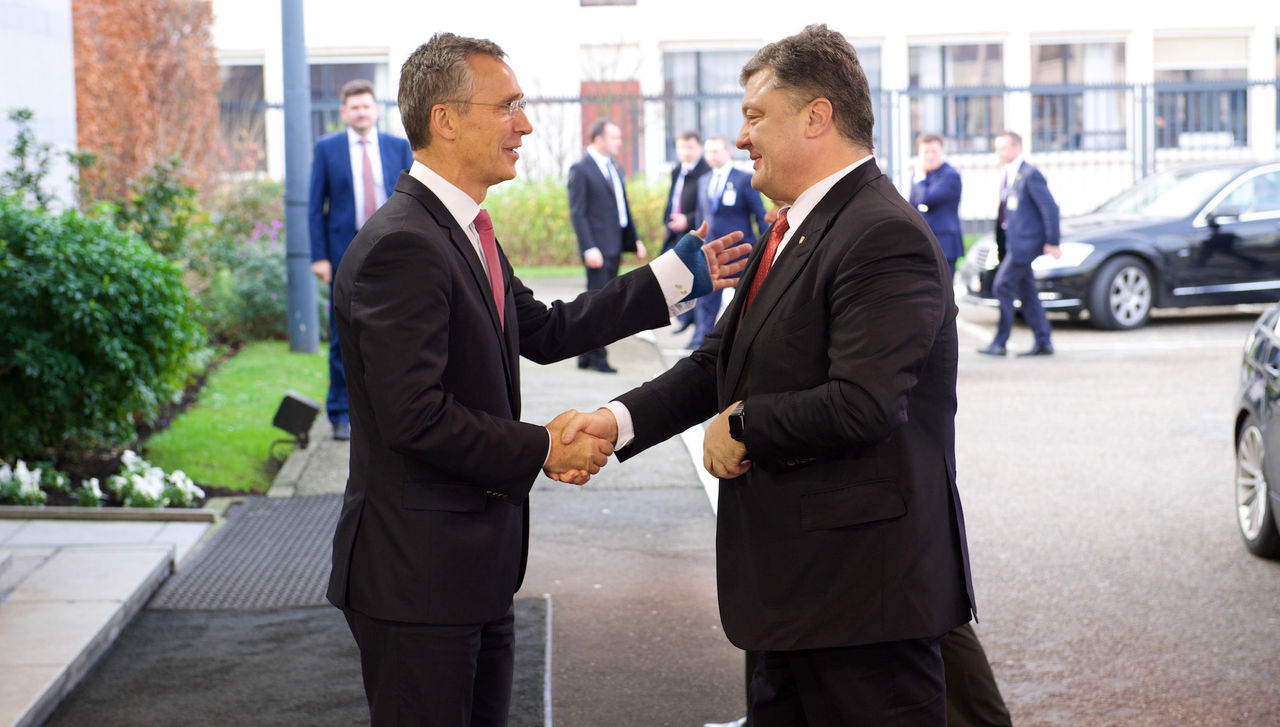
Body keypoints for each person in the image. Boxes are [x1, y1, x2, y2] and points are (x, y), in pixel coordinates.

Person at [325, 33, 752, 727]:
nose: (525, 124)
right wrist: (544, 447)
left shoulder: (463, 229)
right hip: (418, 580)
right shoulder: (404, 245)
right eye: (508, 106)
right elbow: (417, 417)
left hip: (473, 570)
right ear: (446, 119)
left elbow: (548, 330)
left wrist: (675, 274)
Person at [556, 25, 974, 725]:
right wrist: (616, 421)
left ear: (817, 116)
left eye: (755, 116)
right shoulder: (794, 226)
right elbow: (717, 361)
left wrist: (744, 425)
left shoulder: (883, 233)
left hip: (861, 606)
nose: (742, 136)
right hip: (796, 596)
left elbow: (865, 402)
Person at [308, 79, 414, 441]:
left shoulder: (399, 148)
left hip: (393, 252)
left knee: (399, 331)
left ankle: (393, 409)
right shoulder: (327, 149)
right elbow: (314, 207)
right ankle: (339, 413)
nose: (361, 112)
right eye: (354, 107)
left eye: (366, 106)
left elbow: (415, 201)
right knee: (343, 335)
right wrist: (320, 257)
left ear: (376, 109)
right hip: (344, 253)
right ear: (344, 113)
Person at [567, 119, 646, 373]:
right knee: (600, 304)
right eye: (615, 138)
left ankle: (585, 355)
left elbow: (622, 207)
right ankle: (598, 358)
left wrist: (634, 240)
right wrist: (588, 247)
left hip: (614, 245)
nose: (619, 142)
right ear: (598, 139)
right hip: (598, 249)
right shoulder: (581, 168)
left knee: (600, 301)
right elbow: (578, 213)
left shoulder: (613, 167)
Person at [978, 130, 1061, 358]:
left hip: (1025, 245)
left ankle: (1000, 341)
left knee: (1002, 285)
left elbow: (1049, 208)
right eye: (997, 148)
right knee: (1027, 292)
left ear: (1017, 148)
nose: (999, 152)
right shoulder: (1010, 174)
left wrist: (1053, 241)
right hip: (1013, 244)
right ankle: (1043, 341)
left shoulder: (1029, 174)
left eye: (1003, 147)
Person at [688, 134, 767, 349]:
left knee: (745, 303)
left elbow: (760, 216)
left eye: (715, 151)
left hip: (740, 254)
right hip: (711, 255)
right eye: (708, 151)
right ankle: (701, 346)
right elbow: (700, 219)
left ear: (728, 152)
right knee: (706, 303)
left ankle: (743, 345)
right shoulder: (704, 180)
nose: (710, 156)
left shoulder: (743, 180)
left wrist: (767, 247)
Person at [665, 130, 711, 334]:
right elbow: (673, 198)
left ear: (699, 148)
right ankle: (685, 317)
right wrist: (668, 218)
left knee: (694, 279)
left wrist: (688, 220)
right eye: (682, 147)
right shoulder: (677, 170)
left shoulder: (706, 172)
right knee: (669, 275)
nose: (685, 152)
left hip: (695, 233)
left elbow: (708, 207)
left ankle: (693, 321)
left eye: (690, 147)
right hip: (674, 232)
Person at [909, 132, 964, 273]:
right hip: (923, 243)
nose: (930, 156)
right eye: (925, 152)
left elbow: (927, 199)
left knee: (943, 292)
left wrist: (920, 178)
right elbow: (912, 206)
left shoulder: (950, 176)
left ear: (942, 151)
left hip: (945, 245)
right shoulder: (919, 175)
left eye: (934, 151)